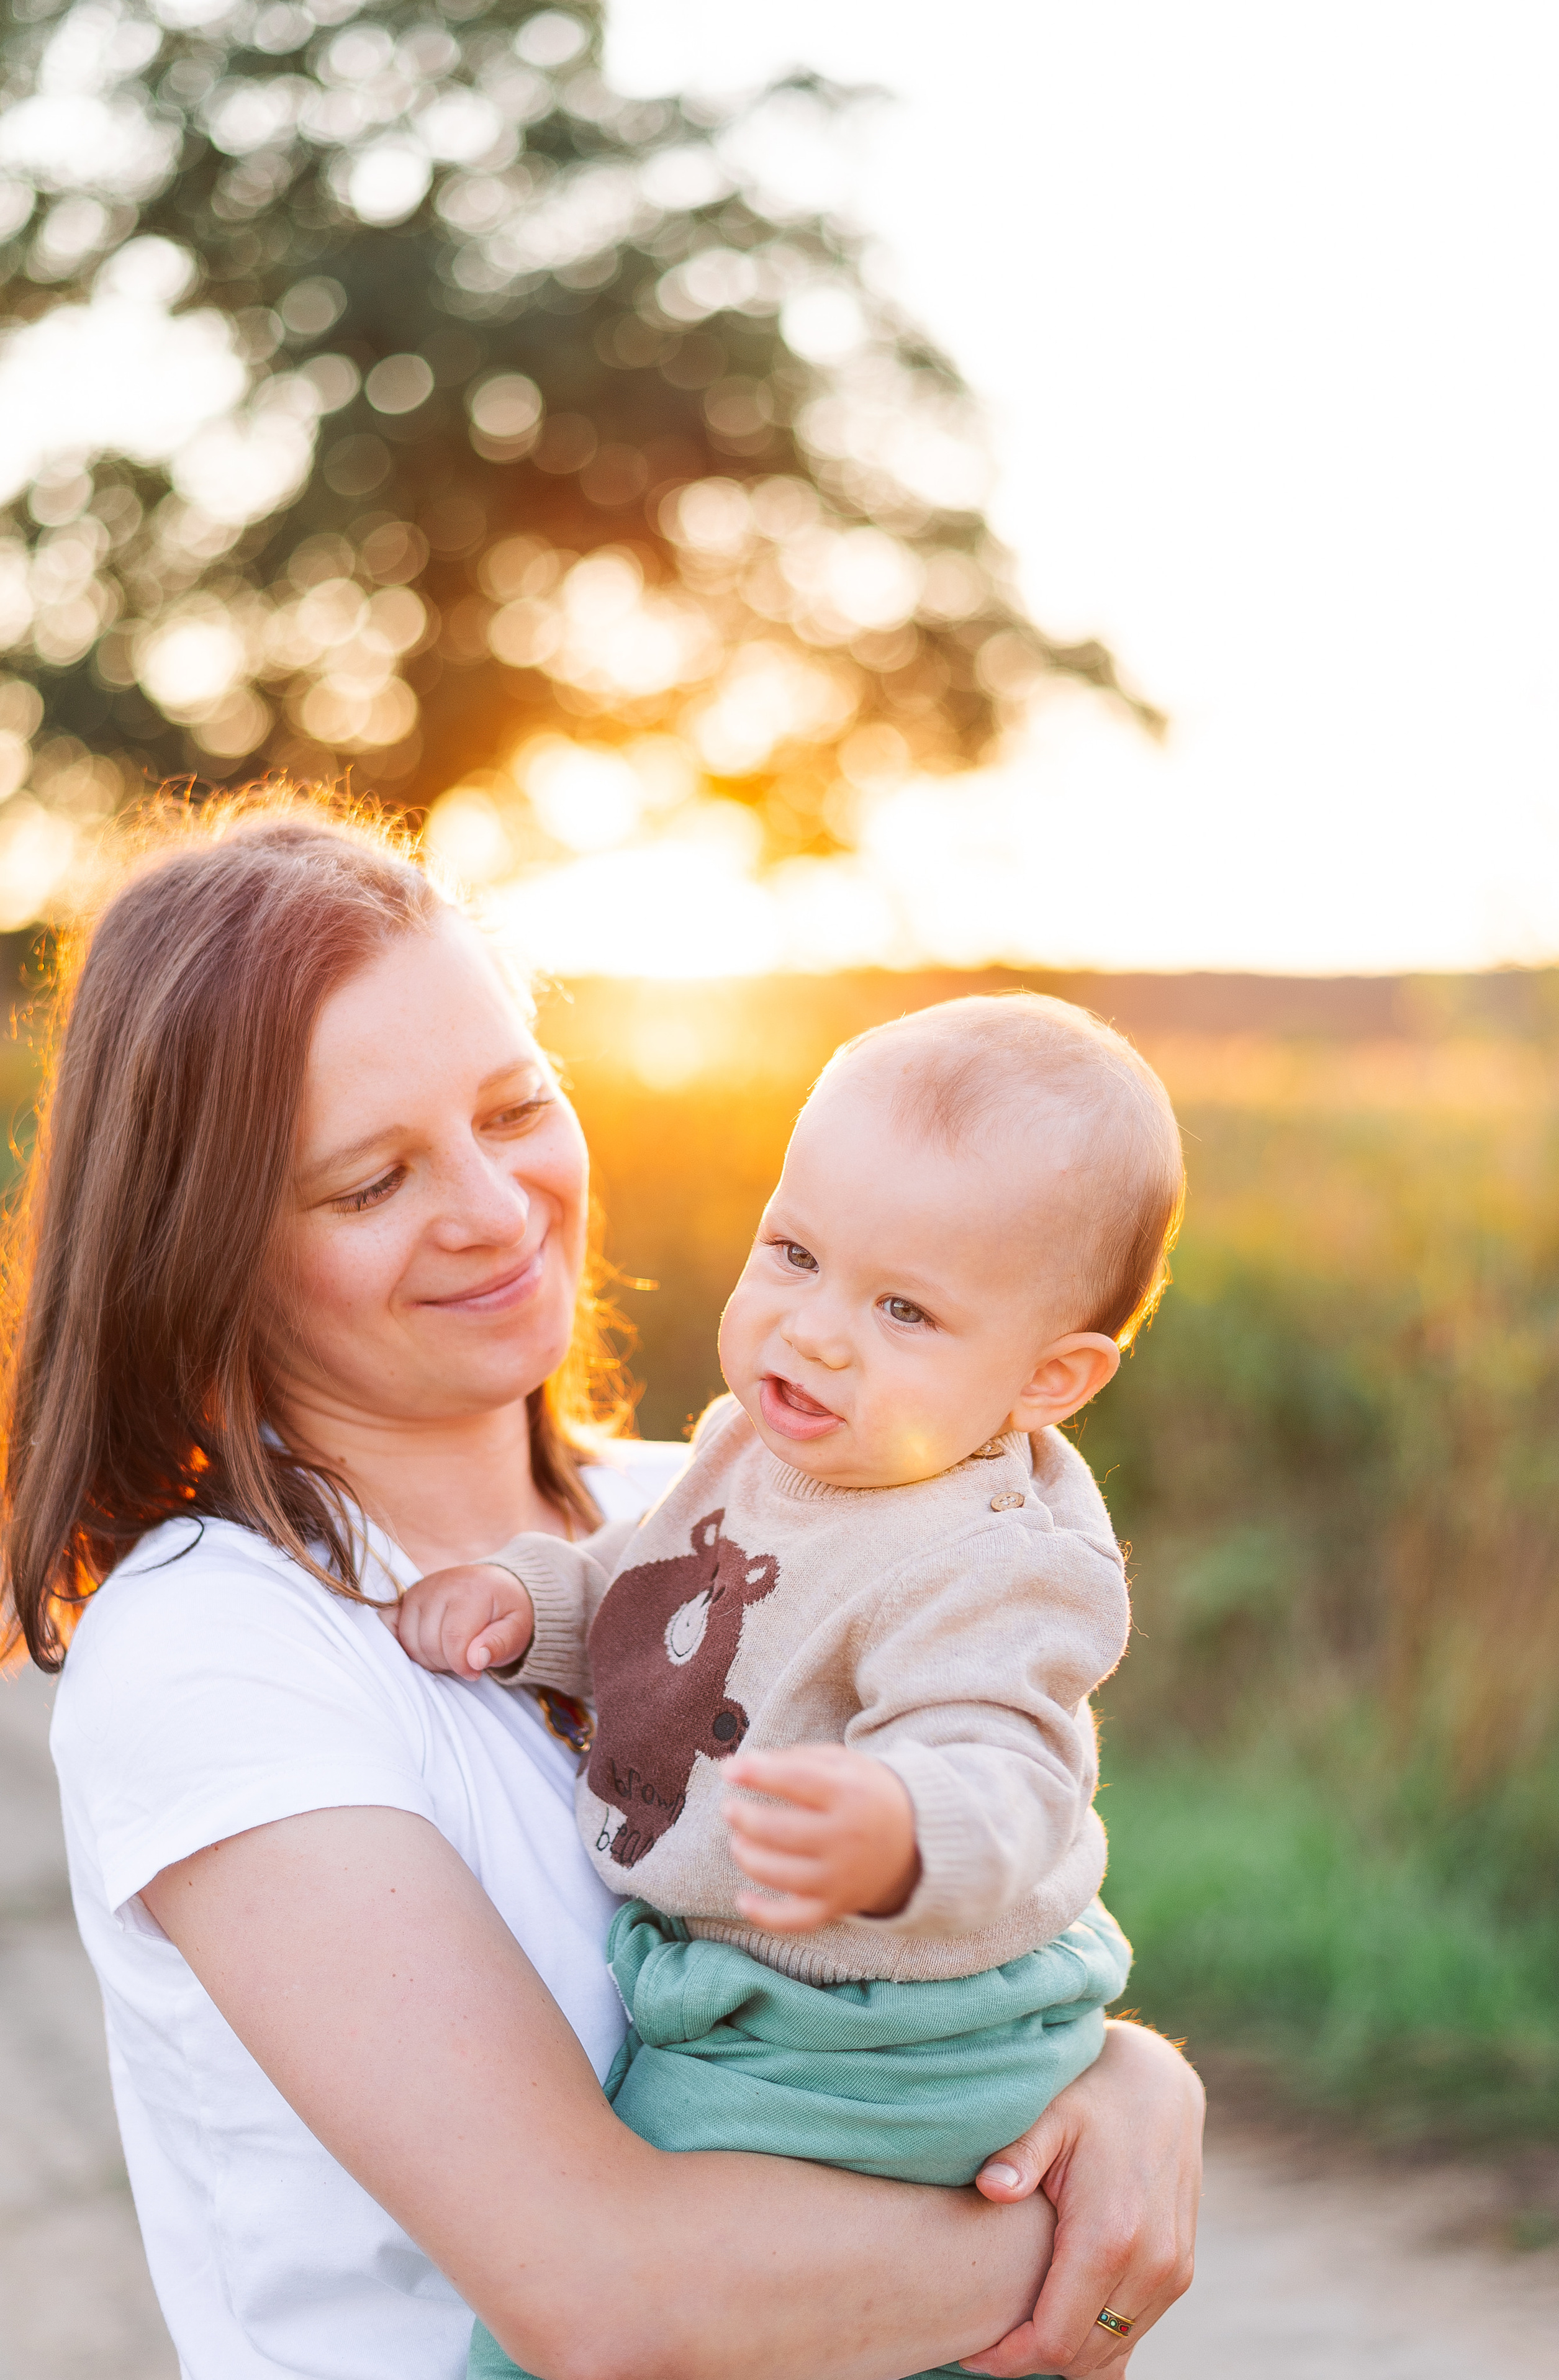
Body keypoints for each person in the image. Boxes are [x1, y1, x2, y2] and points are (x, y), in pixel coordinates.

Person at [0, 792, 1204, 2380]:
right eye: (371, 1182)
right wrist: (1070, 2236)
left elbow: (969, 1896)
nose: (496, 1213)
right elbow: (607, 2301)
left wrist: (1126, 2078)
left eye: (513, 1110)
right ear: (202, 1243)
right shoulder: (218, 1645)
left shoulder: (713, 1498)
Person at [387, 996, 1183, 2380]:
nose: (813, 1332)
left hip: (871, 2046)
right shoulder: (754, 1451)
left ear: (1048, 1379)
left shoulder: (991, 1558)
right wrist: (536, 1605)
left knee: (580, 2337)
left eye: (902, 1308)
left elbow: (1010, 1770)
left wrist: (896, 1828)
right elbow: (652, 1591)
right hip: (753, 2004)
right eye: (795, 1253)